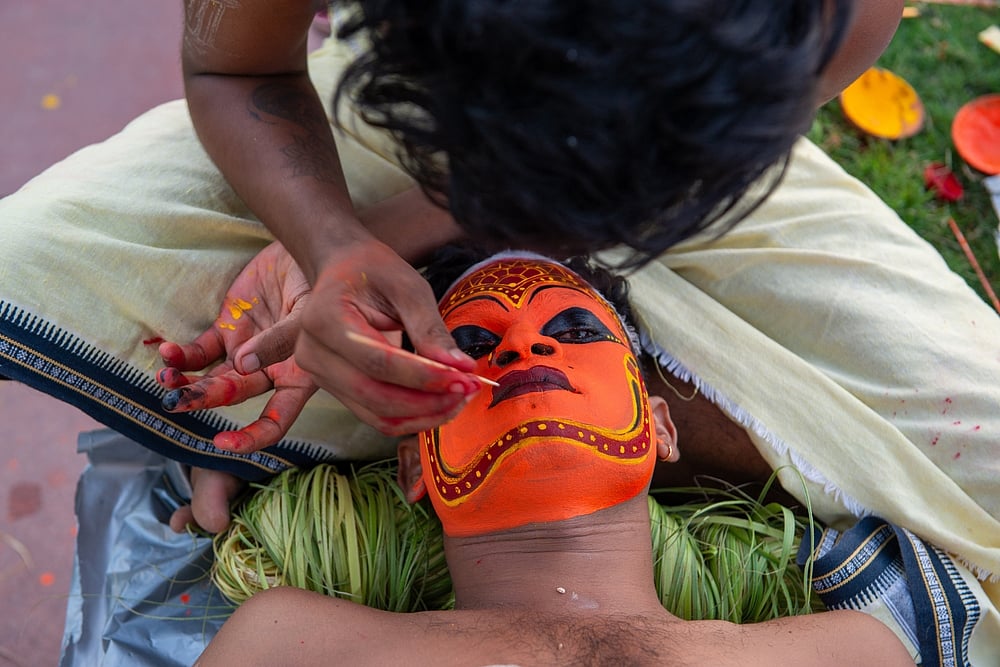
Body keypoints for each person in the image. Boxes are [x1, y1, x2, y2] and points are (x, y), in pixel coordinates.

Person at [195, 253, 913, 666]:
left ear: (661, 426)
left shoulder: (848, 653)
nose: (523, 348)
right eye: (474, 344)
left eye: (572, 327)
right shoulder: (288, 644)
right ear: (417, 460)